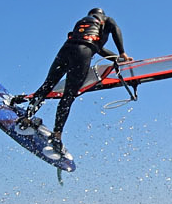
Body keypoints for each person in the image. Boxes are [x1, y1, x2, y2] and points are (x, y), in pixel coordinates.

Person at [13, 8, 131, 154]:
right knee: (68, 95)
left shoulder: (83, 24)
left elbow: (99, 49)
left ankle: (26, 118)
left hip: (66, 49)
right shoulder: (107, 20)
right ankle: (56, 135)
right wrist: (122, 53)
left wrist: (117, 59)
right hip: (83, 52)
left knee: (47, 85)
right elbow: (115, 29)